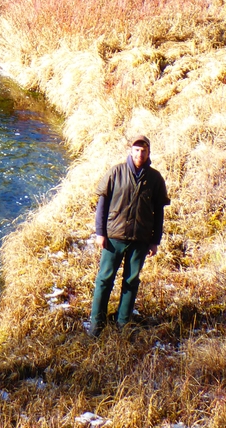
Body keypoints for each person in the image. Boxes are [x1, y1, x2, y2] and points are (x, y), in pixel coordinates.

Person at [88, 134, 170, 337]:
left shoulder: (155, 178)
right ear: (130, 151)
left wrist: (154, 241)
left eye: (143, 150)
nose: (140, 153)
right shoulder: (115, 172)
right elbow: (102, 206)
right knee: (104, 280)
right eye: (136, 150)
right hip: (113, 238)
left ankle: (123, 323)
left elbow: (159, 212)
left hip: (140, 240)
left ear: (148, 153)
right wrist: (100, 233)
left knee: (131, 282)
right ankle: (96, 325)